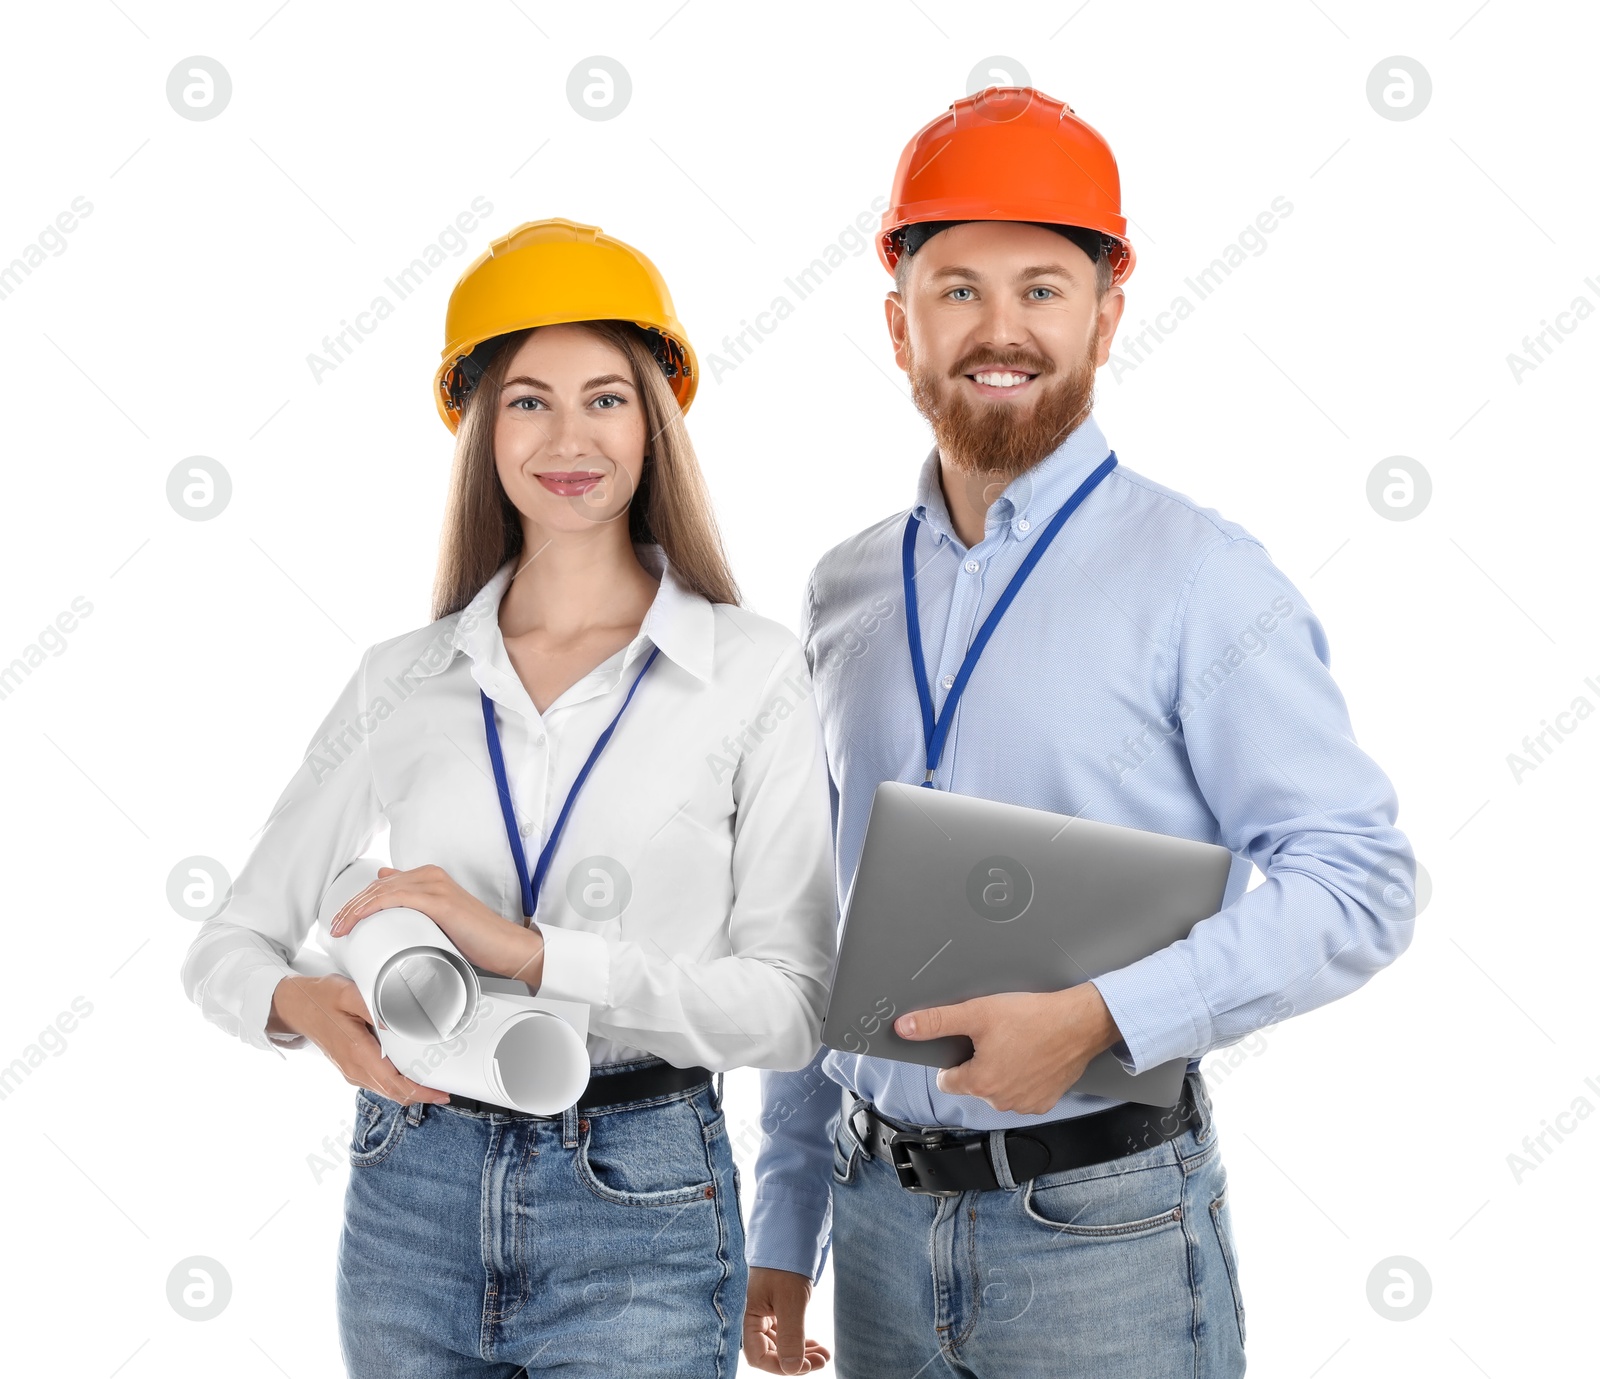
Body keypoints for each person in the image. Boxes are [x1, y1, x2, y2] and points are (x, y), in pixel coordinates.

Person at [742, 89, 1418, 1377]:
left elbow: (1360, 880)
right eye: (957, 292)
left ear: (1107, 313)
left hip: (1100, 1234)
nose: (999, 331)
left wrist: (1104, 1013)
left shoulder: (1200, 578)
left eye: (1042, 289)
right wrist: (786, 1216)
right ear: (898, 325)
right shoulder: (845, 590)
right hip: (875, 1222)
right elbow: (819, 912)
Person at [180, 218, 837, 1378]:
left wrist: (540, 955)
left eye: (606, 398)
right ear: (482, 428)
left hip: (639, 1196)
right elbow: (228, 942)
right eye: (529, 400)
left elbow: (790, 1007)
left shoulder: (753, 668)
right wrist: (297, 1003)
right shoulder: (406, 677)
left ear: (654, 422)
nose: (568, 436)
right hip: (412, 1189)